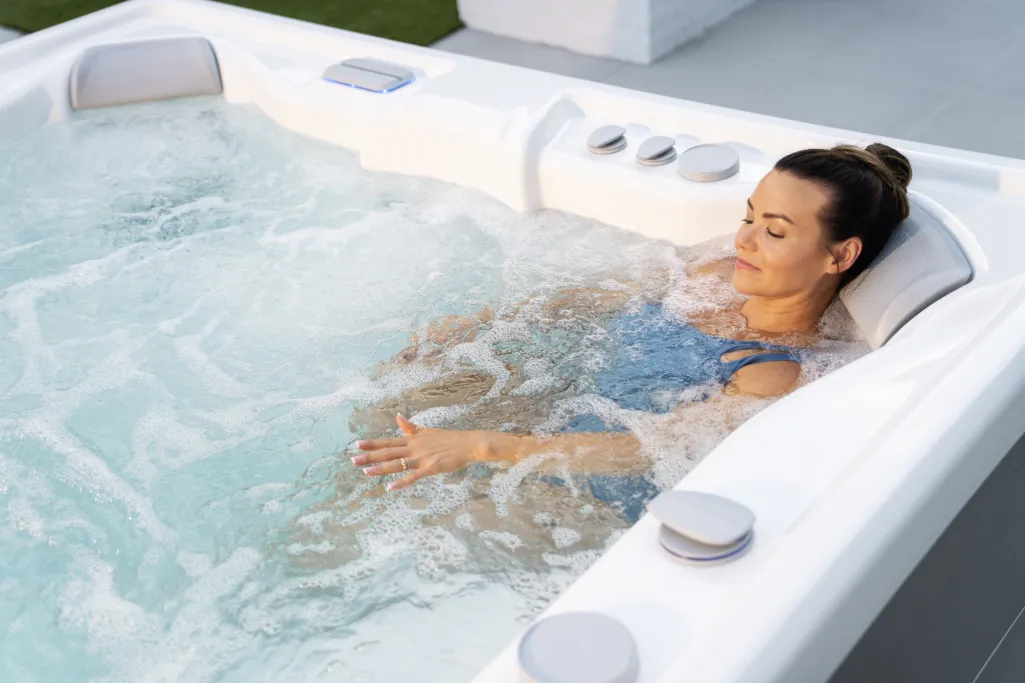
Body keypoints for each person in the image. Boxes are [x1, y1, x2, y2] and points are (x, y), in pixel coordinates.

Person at [351, 142, 913, 500]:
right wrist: (482, 323)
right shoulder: (715, 273)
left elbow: (650, 449)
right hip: (556, 410)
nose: (744, 238)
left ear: (838, 257)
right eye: (748, 216)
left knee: (409, 503)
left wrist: (480, 446)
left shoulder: (776, 373)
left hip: (580, 492)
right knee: (382, 421)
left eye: (775, 230)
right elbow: (592, 295)